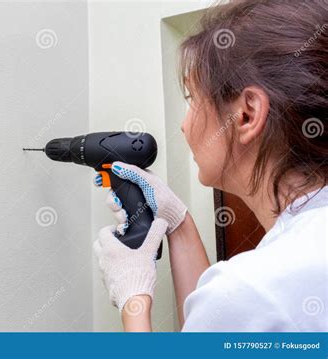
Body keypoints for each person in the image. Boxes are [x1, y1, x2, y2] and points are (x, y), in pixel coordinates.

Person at [93, 0, 327, 332]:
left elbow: (232, 308)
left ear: (246, 114)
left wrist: (134, 299)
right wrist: (178, 222)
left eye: (191, 99)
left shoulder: (255, 291)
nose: (184, 126)